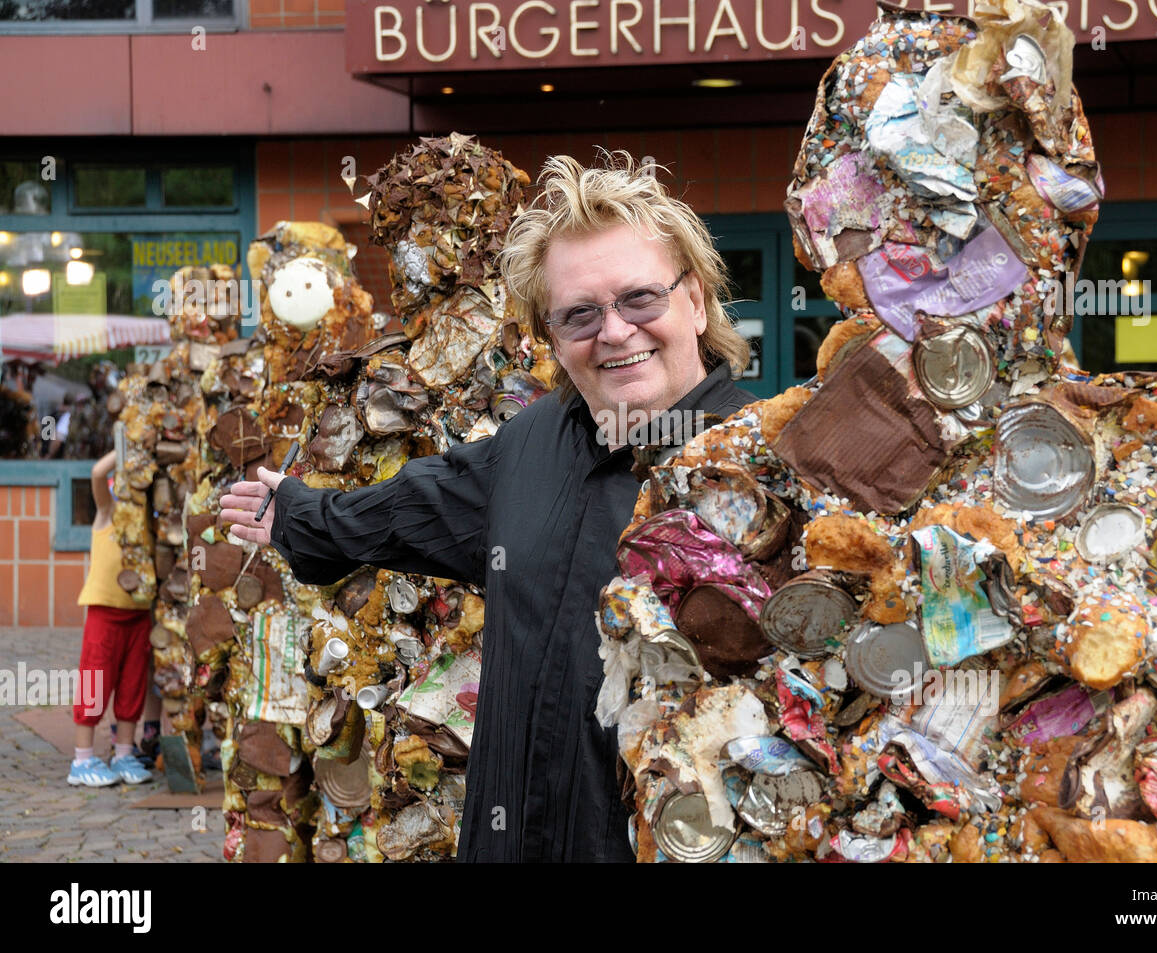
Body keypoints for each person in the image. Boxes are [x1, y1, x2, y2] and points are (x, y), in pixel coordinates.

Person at [220, 151, 755, 861]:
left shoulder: (767, 464)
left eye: (640, 299)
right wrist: (295, 515)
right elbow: (403, 508)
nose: (616, 331)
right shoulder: (529, 443)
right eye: (580, 314)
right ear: (553, 337)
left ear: (696, 300)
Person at [66, 451, 154, 787]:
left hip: (138, 616)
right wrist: (127, 446)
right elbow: (96, 472)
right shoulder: (107, 513)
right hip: (104, 614)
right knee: (94, 680)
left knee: (133, 685)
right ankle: (82, 759)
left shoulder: (148, 523)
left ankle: (124, 754)